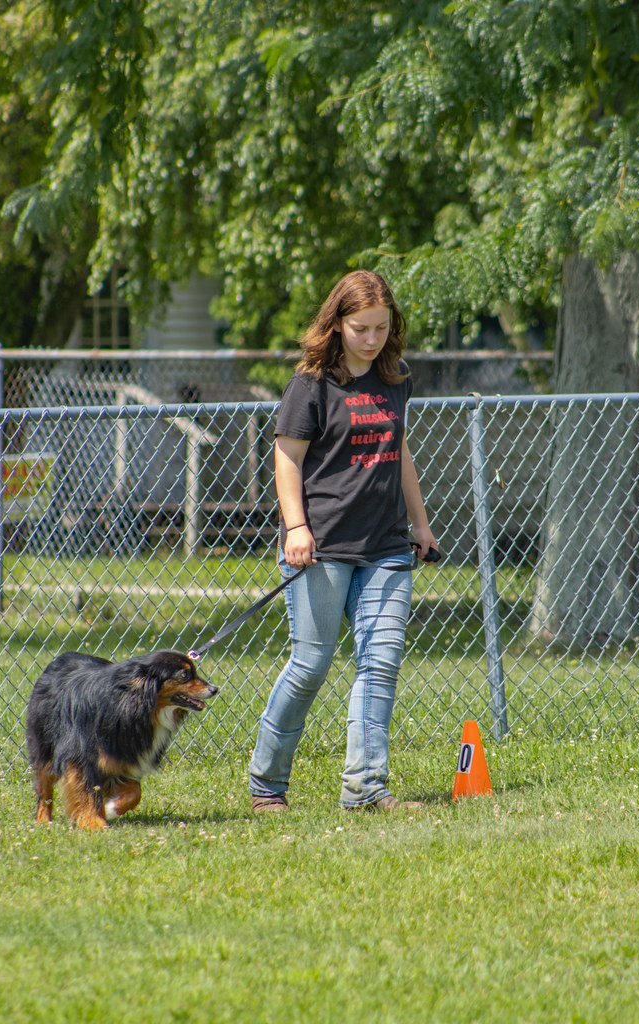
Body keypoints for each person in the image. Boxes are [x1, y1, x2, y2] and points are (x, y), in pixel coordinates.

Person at [249, 270, 438, 813]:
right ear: (337, 324)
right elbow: (287, 460)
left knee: (380, 664)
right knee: (310, 665)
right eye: (360, 328)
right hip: (322, 546)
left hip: (385, 545)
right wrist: (296, 528)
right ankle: (267, 785)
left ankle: (365, 788)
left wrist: (419, 524)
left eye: (381, 327)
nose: (372, 339)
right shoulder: (311, 384)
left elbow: (399, 452)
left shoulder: (396, 379)